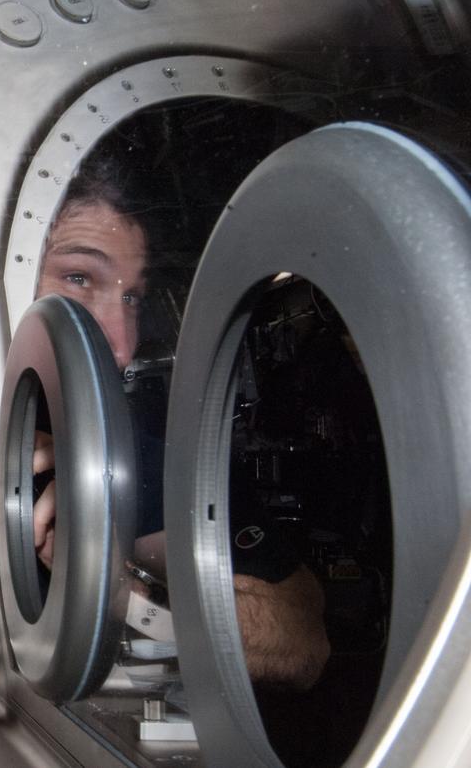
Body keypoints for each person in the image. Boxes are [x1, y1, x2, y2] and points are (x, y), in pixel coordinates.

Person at [30, 167, 331, 690]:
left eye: (132, 297)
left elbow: (299, 641)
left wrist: (111, 585)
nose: (122, 345)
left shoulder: (136, 457)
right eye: (79, 278)